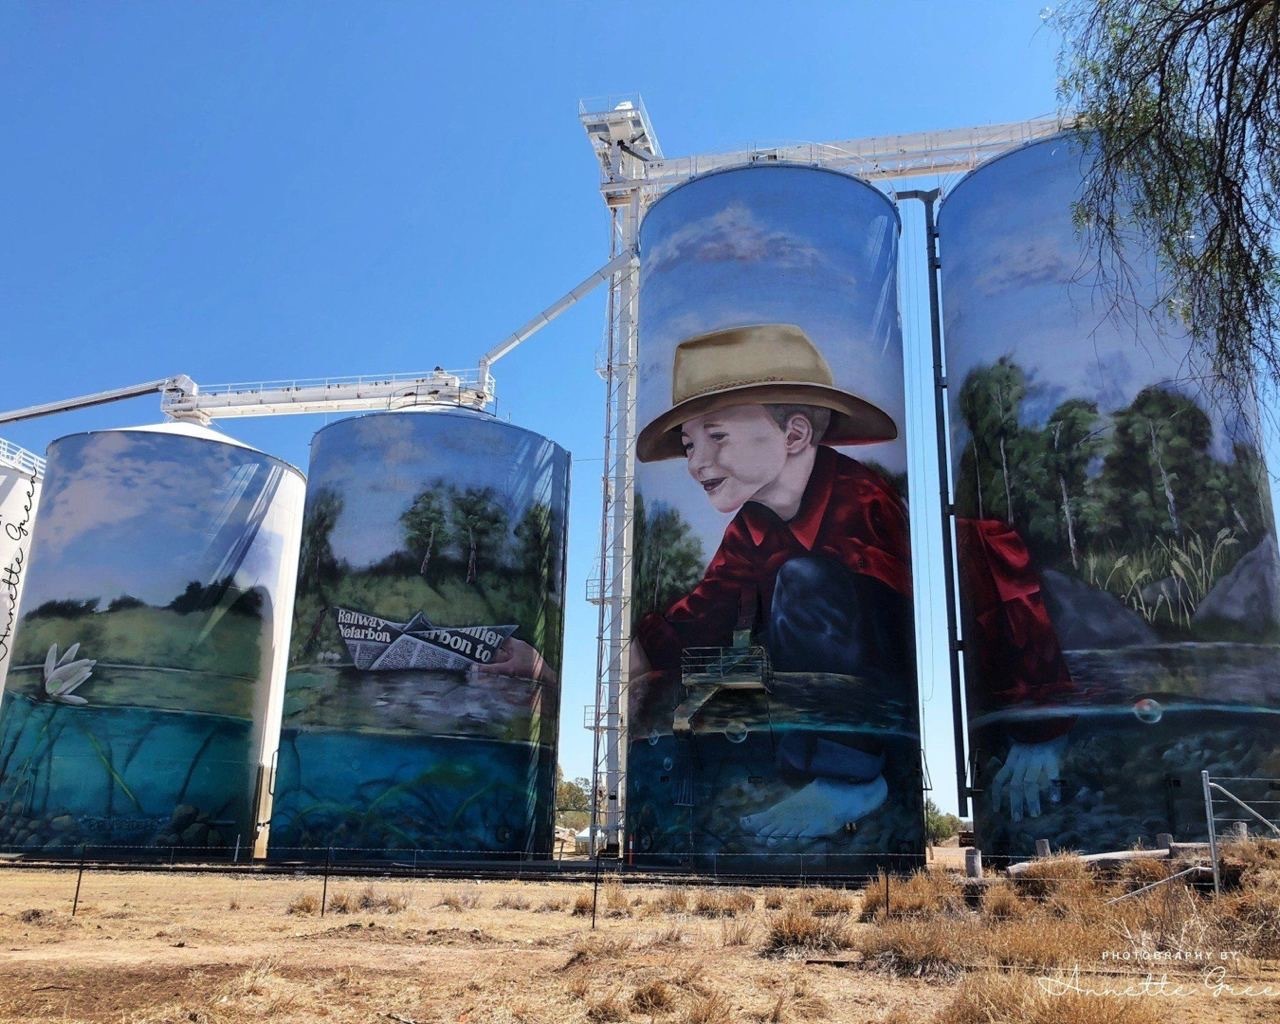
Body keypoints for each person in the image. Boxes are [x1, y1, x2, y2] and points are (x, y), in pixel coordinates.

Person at [630, 323, 1072, 842]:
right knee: (792, 591)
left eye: (716, 436)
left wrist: (1040, 726)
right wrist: (637, 657)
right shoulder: (753, 527)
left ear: (794, 435)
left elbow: (994, 578)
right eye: (687, 445)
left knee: (801, 582)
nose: (696, 462)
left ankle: (850, 778)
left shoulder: (861, 503)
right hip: (865, 665)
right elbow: (704, 611)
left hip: (1038, 621)